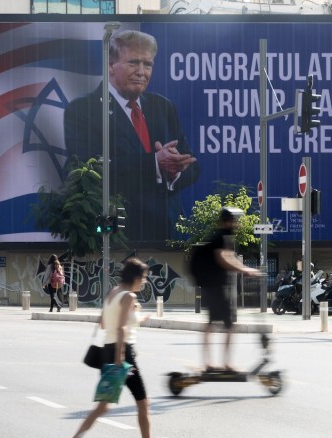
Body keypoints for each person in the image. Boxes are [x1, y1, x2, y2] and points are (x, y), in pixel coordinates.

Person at [64, 29, 199, 243]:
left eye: (148, 64)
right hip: (119, 237)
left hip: (168, 237)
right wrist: (155, 163)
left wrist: (175, 171)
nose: (141, 71)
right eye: (133, 63)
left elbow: (192, 165)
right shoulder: (83, 110)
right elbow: (89, 173)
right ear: (110, 66)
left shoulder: (163, 107)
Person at [59, 257, 172, 438]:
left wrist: (136, 318)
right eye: (144, 278)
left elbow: (104, 324)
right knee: (143, 402)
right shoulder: (128, 296)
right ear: (136, 277)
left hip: (107, 351)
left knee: (103, 405)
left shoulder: (113, 293)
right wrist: (121, 360)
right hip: (123, 354)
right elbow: (120, 328)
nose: (145, 282)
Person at [202, 207, 261, 373]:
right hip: (217, 287)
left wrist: (245, 269)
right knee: (228, 325)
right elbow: (223, 259)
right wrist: (246, 270)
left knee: (213, 324)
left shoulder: (221, 236)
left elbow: (229, 258)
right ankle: (225, 364)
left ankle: (209, 363)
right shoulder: (221, 237)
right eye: (235, 220)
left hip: (213, 286)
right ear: (228, 221)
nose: (237, 223)